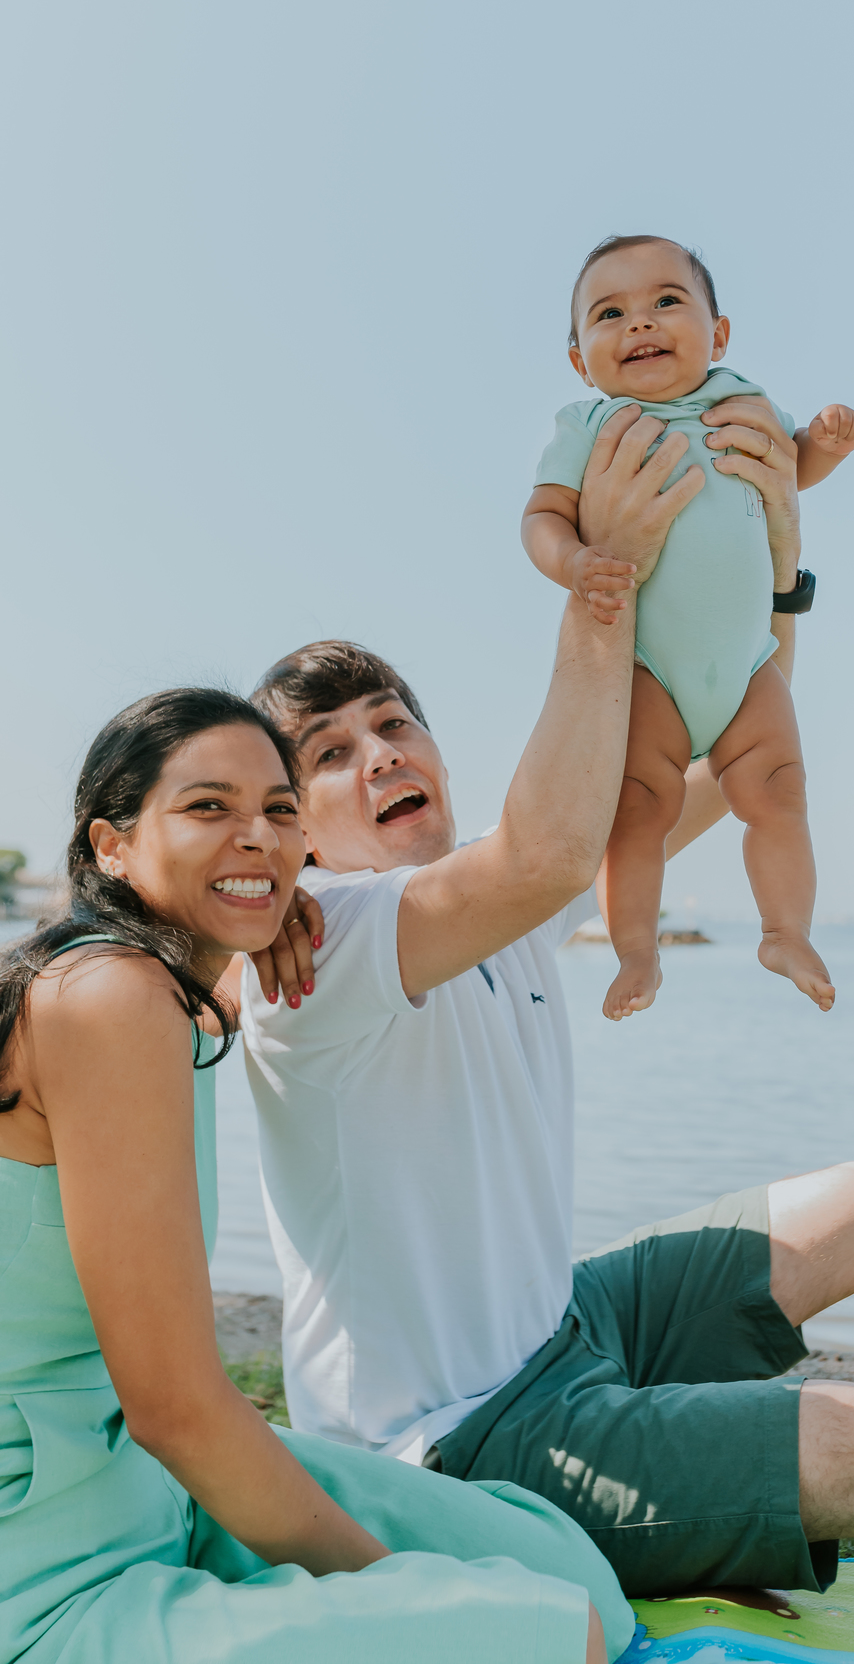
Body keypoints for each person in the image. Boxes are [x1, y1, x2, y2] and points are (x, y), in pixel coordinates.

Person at [232, 419, 854, 1608]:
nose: (377, 756)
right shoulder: (321, 943)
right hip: (461, 1447)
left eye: (391, 722)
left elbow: (732, 743)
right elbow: (552, 851)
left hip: (562, 1327)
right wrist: (604, 582)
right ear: (292, 826)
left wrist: (772, 557)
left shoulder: (484, 896)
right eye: (329, 755)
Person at [0, 689, 629, 1664]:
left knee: (569, 1568)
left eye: (281, 811)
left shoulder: (164, 983)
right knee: (553, 1632)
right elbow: (176, 1408)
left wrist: (267, 910)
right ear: (112, 844)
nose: (257, 836)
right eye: (209, 808)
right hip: (46, 1580)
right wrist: (399, 1590)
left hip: (147, 1483)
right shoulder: (107, 999)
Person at [522, 232, 854, 1019]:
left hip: (751, 667)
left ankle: (786, 930)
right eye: (609, 313)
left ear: (717, 336)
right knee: (639, 811)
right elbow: (542, 515)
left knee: (781, 795)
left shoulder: (741, 398)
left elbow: (792, 465)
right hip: (652, 669)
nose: (640, 322)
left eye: (666, 302)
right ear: (580, 358)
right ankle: (637, 951)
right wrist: (575, 562)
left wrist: (825, 442)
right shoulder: (589, 424)